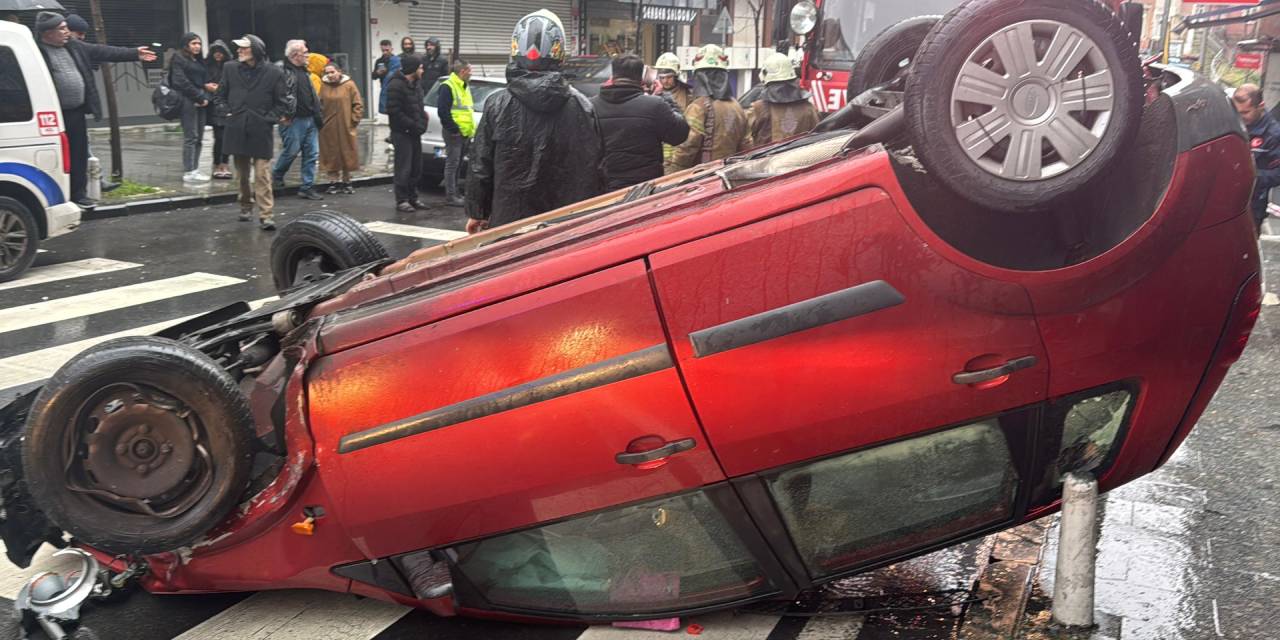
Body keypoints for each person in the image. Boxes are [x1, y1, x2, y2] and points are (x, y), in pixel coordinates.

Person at [466, 9, 605, 234]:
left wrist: (477, 211)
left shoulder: (496, 104)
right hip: (567, 223)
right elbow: (596, 167)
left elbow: (480, 165)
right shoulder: (581, 105)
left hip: (509, 222)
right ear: (559, 54)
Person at [33, 11, 156, 207]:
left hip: (76, 111)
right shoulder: (37, 52)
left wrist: (134, 53)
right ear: (48, 33)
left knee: (79, 154)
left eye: (66, 28)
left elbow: (102, 51)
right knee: (55, 156)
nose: (67, 32)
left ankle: (78, 194)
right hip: (52, 115)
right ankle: (56, 194)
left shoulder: (74, 46)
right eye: (62, 29)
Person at [215, 34, 292, 230]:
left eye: (244, 47)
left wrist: (269, 118)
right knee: (241, 175)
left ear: (256, 50)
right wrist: (227, 112)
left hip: (260, 130)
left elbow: (282, 102)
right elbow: (220, 95)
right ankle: (245, 205)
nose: (239, 50)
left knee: (262, 174)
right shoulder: (230, 68)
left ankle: (266, 214)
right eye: (238, 48)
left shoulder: (274, 72)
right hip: (236, 127)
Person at [591, 54, 688, 191]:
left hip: (603, 187)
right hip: (644, 188)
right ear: (641, 78)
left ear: (613, 76)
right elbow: (679, 135)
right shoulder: (654, 105)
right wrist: (665, 98)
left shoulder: (591, 106)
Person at [669, 44, 751, 173]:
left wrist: (674, 172)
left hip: (703, 177)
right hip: (730, 173)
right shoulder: (737, 107)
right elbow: (746, 144)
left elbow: (688, 146)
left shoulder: (698, 107)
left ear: (700, 76)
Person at [272, 39, 324, 201]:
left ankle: (307, 187)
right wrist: (281, 114)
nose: (308, 54)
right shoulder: (281, 71)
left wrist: (318, 113)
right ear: (295, 55)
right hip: (292, 120)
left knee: (312, 153)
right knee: (291, 151)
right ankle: (277, 175)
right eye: (305, 52)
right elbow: (274, 95)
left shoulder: (305, 70)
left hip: (310, 118)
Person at [1234, 84, 1280, 234]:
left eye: (1246, 112)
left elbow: (1277, 174)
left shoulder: (1273, 135)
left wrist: (1250, 176)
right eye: (1237, 112)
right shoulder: (1233, 122)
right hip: (1226, 200)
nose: (1241, 116)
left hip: (1252, 206)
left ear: (1260, 106)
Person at [748, 51, 819, 147]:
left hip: (765, 160)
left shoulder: (758, 108)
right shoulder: (809, 108)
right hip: (802, 160)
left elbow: (745, 140)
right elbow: (817, 138)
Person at [386, 54, 428, 212]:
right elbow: (394, 111)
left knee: (416, 167)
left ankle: (413, 197)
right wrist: (412, 125)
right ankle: (402, 199)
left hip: (415, 132)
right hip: (401, 132)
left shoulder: (417, 84)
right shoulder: (395, 85)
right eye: (420, 67)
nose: (422, 70)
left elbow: (419, 107)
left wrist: (422, 124)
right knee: (403, 167)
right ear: (413, 69)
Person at [170, 33, 214, 183]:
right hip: (187, 101)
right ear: (186, 44)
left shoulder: (199, 61)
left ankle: (195, 169)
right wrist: (199, 97)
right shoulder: (179, 58)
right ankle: (189, 171)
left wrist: (206, 94)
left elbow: (202, 80)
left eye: (199, 44)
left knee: (199, 137)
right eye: (193, 43)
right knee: (191, 136)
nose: (197, 46)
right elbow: (180, 81)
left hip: (201, 101)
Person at [318, 61, 364, 195]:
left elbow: (358, 104)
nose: (330, 75)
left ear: (339, 72)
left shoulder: (349, 85)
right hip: (328, 127)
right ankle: (333, 182)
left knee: (346, 152)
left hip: (345, 126)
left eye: (332, 72)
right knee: (331, 153)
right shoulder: (324, 86)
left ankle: (347, 181)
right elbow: (319, 105)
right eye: (327, 73)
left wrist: (353, 121)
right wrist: (321, 122)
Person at [437, 58, 474, 207]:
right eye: (470, 70)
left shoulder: (463, 85)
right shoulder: (448, 86)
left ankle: (456, 193)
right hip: (454, 133)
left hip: (464, 132)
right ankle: (451, 196)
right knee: (452, 164)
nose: (471, 73)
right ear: (463, 71)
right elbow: (443, 111)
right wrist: (454, 129)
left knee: (457, 164)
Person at [206, 40, 233, 179]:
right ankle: (218, 164)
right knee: (219, 137)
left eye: (220, 52)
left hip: (227, 105)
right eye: (215, 52)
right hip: (214, 106)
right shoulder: (207, 66)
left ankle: (225, 163)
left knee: (227, 137)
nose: (218, 55)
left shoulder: (229, 67)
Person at [373, 39, 394, 115]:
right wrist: (377, 73)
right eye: (383, 50)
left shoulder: (396, 60)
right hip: (385, 88)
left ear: (391, 49)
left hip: (395, 88)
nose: (385, 52)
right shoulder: (379, 61)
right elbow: (373, 76)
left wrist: (388, 71)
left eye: (387, 50)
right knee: (386, 111)